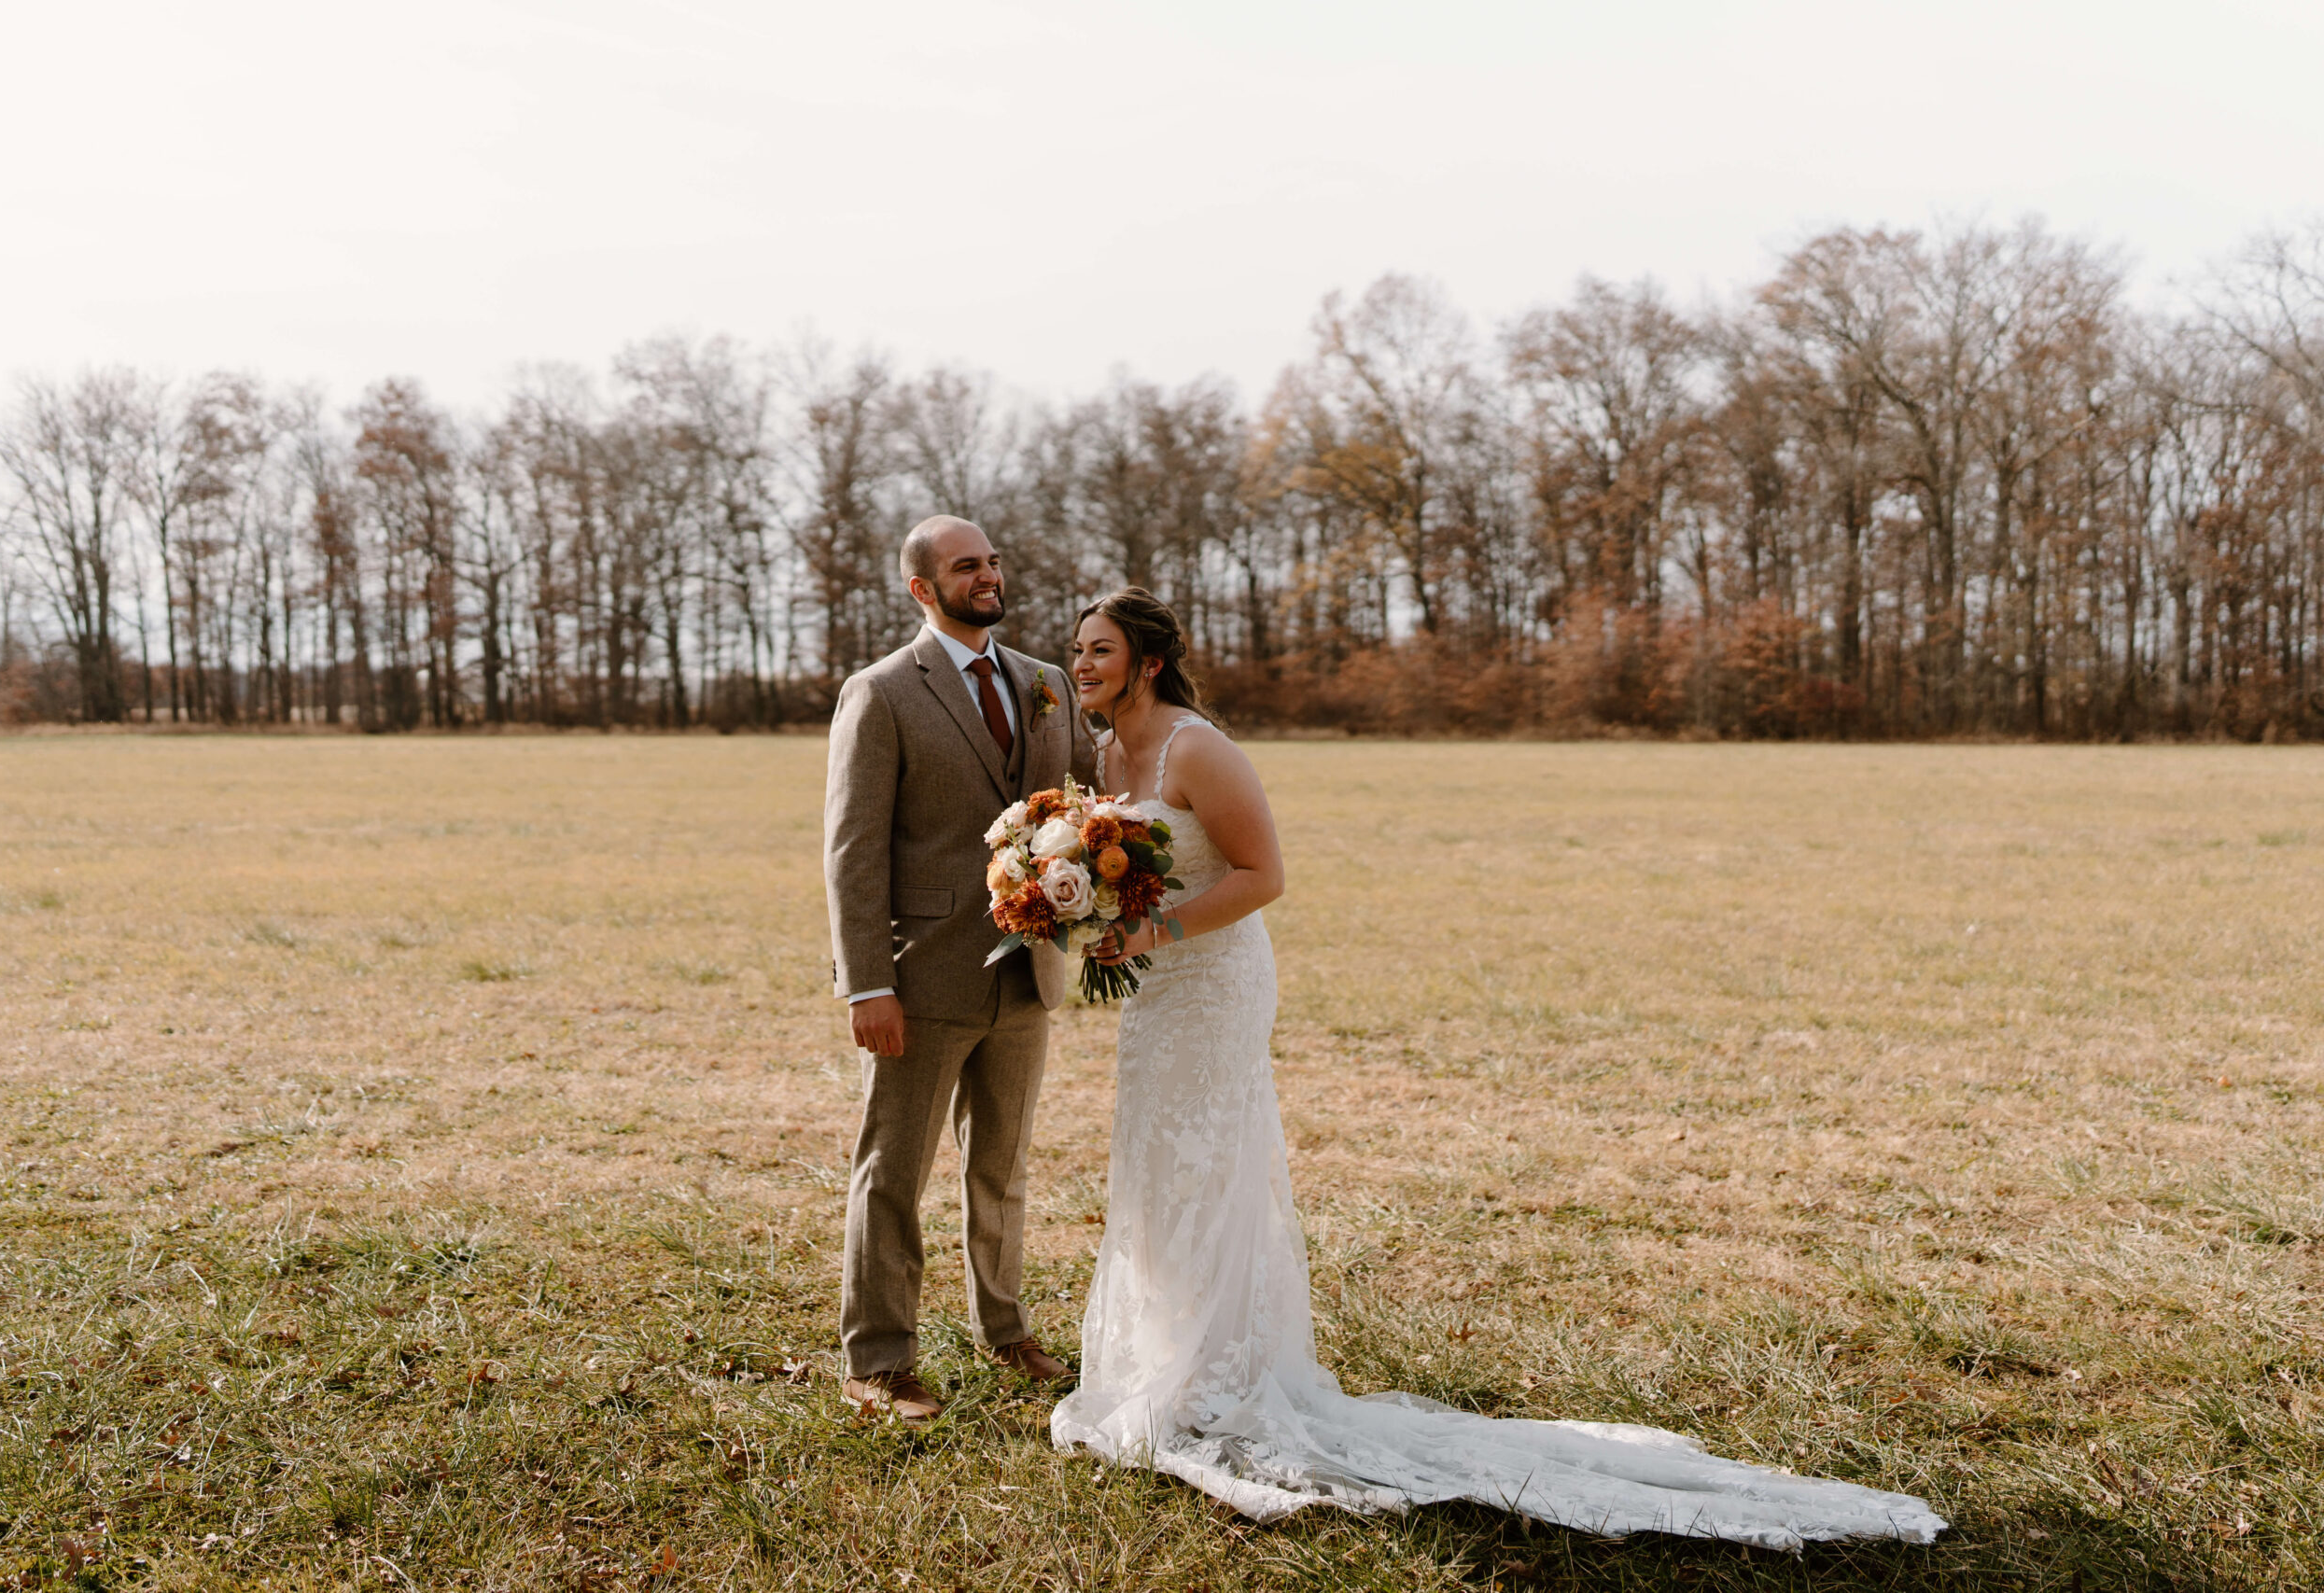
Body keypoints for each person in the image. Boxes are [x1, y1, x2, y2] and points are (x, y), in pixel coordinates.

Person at [1048, 586, 1946, 1552]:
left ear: (1146, 661)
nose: (1082, 663)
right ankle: (1160, 1359)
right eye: (1077, 649)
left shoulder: (1197, 747)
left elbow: (1263, 875)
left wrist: (1158, 927)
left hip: (1215, 983)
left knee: (1212, 1161)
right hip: (1153, 995)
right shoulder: (1100, 755)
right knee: (1153, 1162)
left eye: (1100, 649)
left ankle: (1218, 1374)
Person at [823, 514, 1097, 1423]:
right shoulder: (882, 692)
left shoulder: (1047, 685)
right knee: (892, 1173)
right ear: (920, 589)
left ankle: (1006, 1328)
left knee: (1004, 1167)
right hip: (923, 976)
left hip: (1029, 975)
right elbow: (853, 851)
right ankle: (879, 1359)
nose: (986, 576)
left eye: (992, 561)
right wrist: (867, 983)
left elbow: (1088, 810)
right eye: (964, 566)